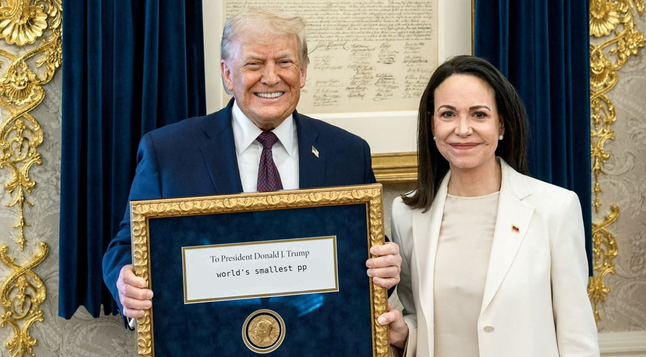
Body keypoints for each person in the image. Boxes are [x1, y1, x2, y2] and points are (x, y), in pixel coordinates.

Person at [102, 8, 400, 327]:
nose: (271, 78)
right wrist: (126, 282)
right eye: (254, 64)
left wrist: (385, 268)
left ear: (302, 72)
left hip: (316, 338)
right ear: (228, 74)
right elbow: (128, 246)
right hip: (206, 338)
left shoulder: (347, 152)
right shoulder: (169, 152)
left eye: (284, 63)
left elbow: (366, 252)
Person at [382, 55, 599, 356]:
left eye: (479, 115)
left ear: (502, 125)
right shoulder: (406, 212)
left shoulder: (556, 209)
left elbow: (577, 335)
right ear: (431, 124)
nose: (462, 129)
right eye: (447, 114)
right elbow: (418, 317)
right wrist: (405, 333)